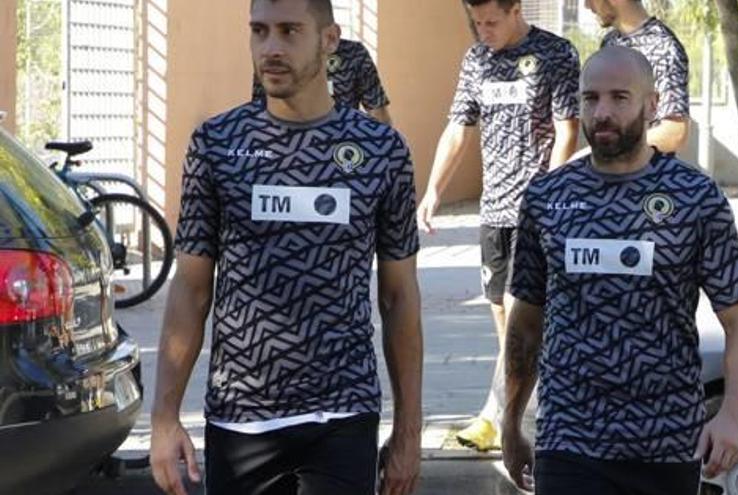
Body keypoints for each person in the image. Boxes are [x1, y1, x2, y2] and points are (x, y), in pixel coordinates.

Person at [149, 1, 423, 494]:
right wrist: (164, 418)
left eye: (290, 31)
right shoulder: (218, 144)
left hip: (344, 413)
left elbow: (399, 297)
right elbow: (190, 290)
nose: (272, 48)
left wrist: (408, 431)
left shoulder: (381, 152)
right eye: (260, 31)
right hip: (242, 419)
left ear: (330, 40)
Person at [501, 46, 738, 494]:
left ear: (652, 105)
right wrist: (510, 421)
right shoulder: (546, 198)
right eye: (591, 98)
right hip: (570, 439)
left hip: (666, 442)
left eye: (620, 98)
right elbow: (525, 325)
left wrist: (732, 416)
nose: (602, 112)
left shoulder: (694, 198)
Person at [416, 0, 581, 452]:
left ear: (515, 10)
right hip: (493, 210)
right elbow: (458, 127)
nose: (483, 30)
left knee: (525, 318)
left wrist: (553, 196)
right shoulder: (477, 59)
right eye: (477, 22)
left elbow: (568, 128)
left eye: (491, 21)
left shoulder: (555, 53)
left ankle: (500, 414)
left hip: (535, 208)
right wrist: (433, 190)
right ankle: (519, 407)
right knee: (503, 317)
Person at [581, 0, 690, 154]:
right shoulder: (610, 41)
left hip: (648, 174)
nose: (587, 6)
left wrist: (587, 154)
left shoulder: (663, 47)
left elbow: (675, 132)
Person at [252, 38, 393, 124]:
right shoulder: (273, 57)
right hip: (286, 151)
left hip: (342, 152)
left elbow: (378, 112)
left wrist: (385, 156)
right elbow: (258, 113)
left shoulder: (353, 53)